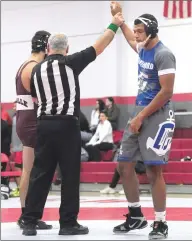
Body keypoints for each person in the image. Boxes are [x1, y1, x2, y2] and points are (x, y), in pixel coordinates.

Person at [21, 13, 124, 236]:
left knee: (40, 173)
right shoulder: (71, 62)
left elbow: (36, 98)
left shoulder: (36, 70)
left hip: (44, 125)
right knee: (69, 174)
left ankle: (29, 221)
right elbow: (100, 45)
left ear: (48, 48)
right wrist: (114, 24)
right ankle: (67, 223)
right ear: (66, 49)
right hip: (67, 126)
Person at [111, 2, 176, 239]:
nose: (136, 35)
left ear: (151, 31)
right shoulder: (142, 47)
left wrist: (141, 116)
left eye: (140, 31)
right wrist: (119, 21)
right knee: (124, 164)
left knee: (152, 171)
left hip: (157, 114)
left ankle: (160, 222)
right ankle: (136, 215)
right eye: (136, 31)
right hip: (139, 112)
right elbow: (129, 37)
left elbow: (166, 92)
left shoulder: (164, 54)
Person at [15, 30, 52, 230]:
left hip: (23, 119)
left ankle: (25, 214)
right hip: (31, 122)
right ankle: (29, 215)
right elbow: (44, 97)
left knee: (28, 170)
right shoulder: (35, 67)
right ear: (46, 48)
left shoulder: (24, 65)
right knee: (33, 172)